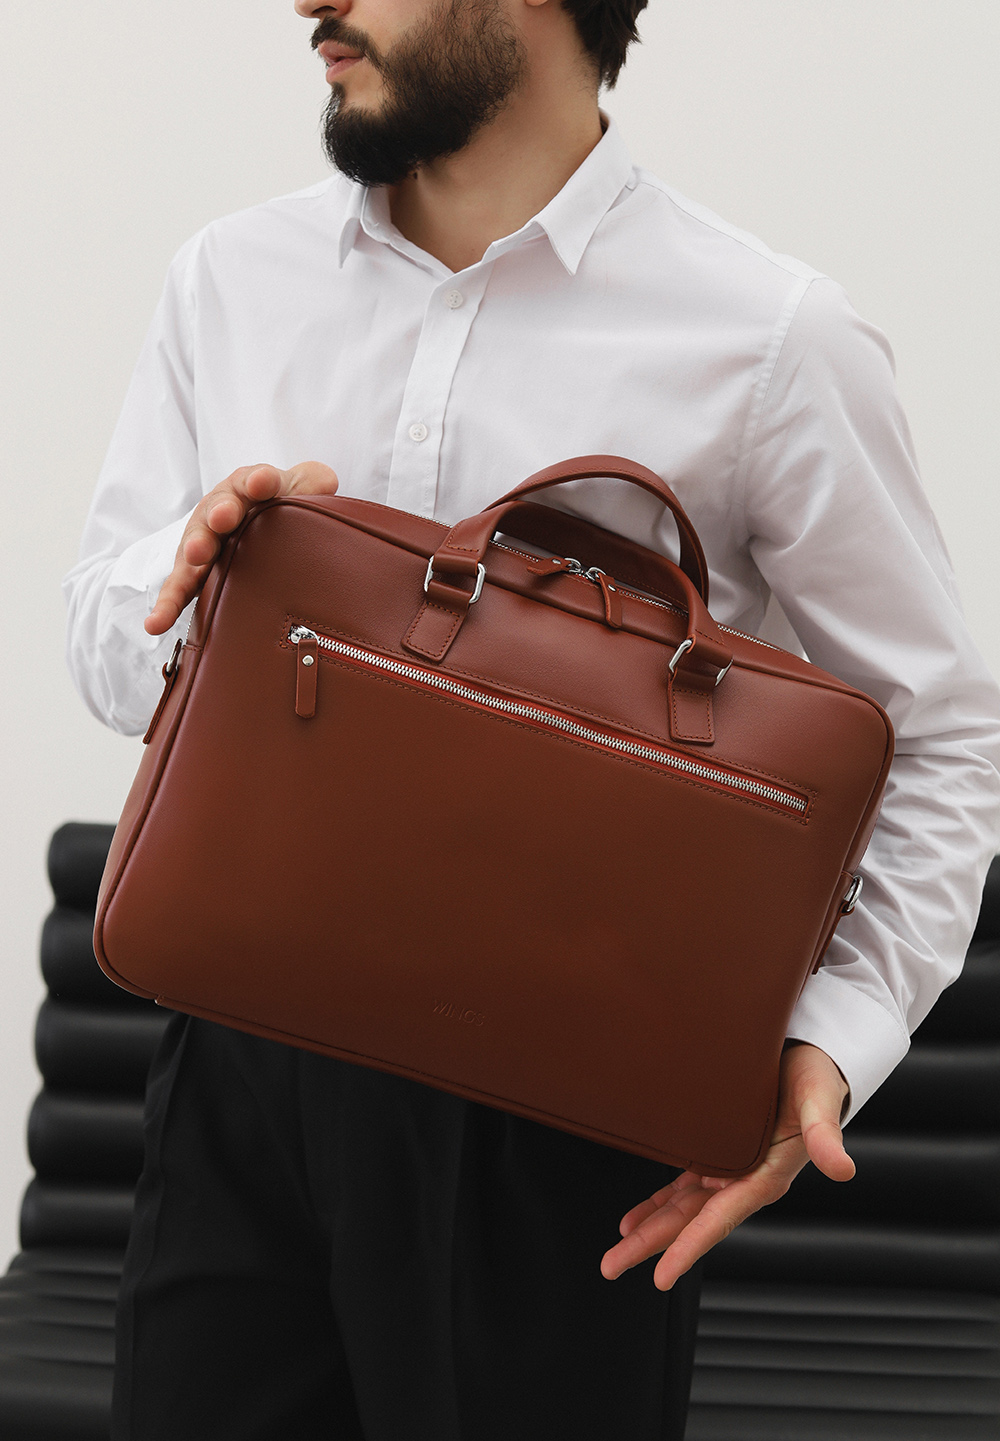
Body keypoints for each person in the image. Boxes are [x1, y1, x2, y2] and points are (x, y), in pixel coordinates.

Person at [63, 1, 1000, 1437]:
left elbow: (941, 735)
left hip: (565, 1123)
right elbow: (101, 637)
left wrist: (837, 1032)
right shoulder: (231, 278)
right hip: (237, 1075)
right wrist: (187, 589)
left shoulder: (768, 337)